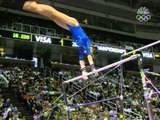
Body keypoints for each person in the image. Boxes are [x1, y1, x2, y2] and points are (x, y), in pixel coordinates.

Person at [0, 0, 97, 79]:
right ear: (92, 48)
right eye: (92, 50)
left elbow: (81, 58)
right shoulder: (87, 42)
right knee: (55, 13)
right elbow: (88, 56)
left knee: (53, 17)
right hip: (74, 24)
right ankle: (35, 5)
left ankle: (35, 7)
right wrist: (93, 69)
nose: (90, 51)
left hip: (70, 28)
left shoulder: (81, 46)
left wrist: (83, 71)